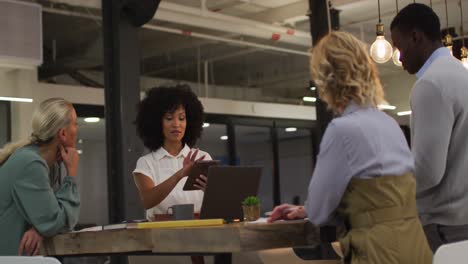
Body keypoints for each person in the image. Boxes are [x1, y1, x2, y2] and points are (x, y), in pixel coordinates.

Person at [268, 31, 432, 263]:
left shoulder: (342, 130)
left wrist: (310, 209)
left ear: (326, 79)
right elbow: (380, 198)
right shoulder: (389, 124)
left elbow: (318, 212)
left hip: (377, 252)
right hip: (415, 246)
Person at [391, 3, 468, 252]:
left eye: (399, 47)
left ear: (416, 37)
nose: (400, 57)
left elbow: (427, 172)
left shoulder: (431, 84)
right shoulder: (462, 75)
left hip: (445, 227)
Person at [0, 98, 80, 256]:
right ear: (63, 133)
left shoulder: (37, 161)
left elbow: (50, 219)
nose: (77, 129)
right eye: (75, 123)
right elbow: (57, 221)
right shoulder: (30, 164)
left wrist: (40, 228)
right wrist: (71, 174)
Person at [133, 85, 211, 221]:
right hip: (161, 232)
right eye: (169, 118)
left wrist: (211, 190)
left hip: (200, 228)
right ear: (156, 123)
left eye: (181, 118)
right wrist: (180, 174)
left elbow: (218, 202)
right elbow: (148, 201)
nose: (176, 124)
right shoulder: (146, 163)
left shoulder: (202, 157)